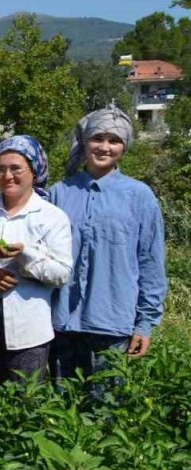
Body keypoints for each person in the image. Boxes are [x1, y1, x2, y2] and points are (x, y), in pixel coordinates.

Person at [48, 106, 167, 379]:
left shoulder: (140, 196)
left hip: (113, 325)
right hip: (62, 324)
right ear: (84, 142)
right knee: (62, 408)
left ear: (124, 147)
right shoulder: (60, 193)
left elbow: (151, 263)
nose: (104, 147)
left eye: (114, 140)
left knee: (109, 409)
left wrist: (145, 324)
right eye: (97, 138)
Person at [0, 135, 72, 387]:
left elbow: (61, 273)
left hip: (28, 326)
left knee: (25, 398)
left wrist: (24, 255)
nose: (7, 176)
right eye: (1, 169)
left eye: (16, 168)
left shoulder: (51, 217)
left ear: (34, 172)